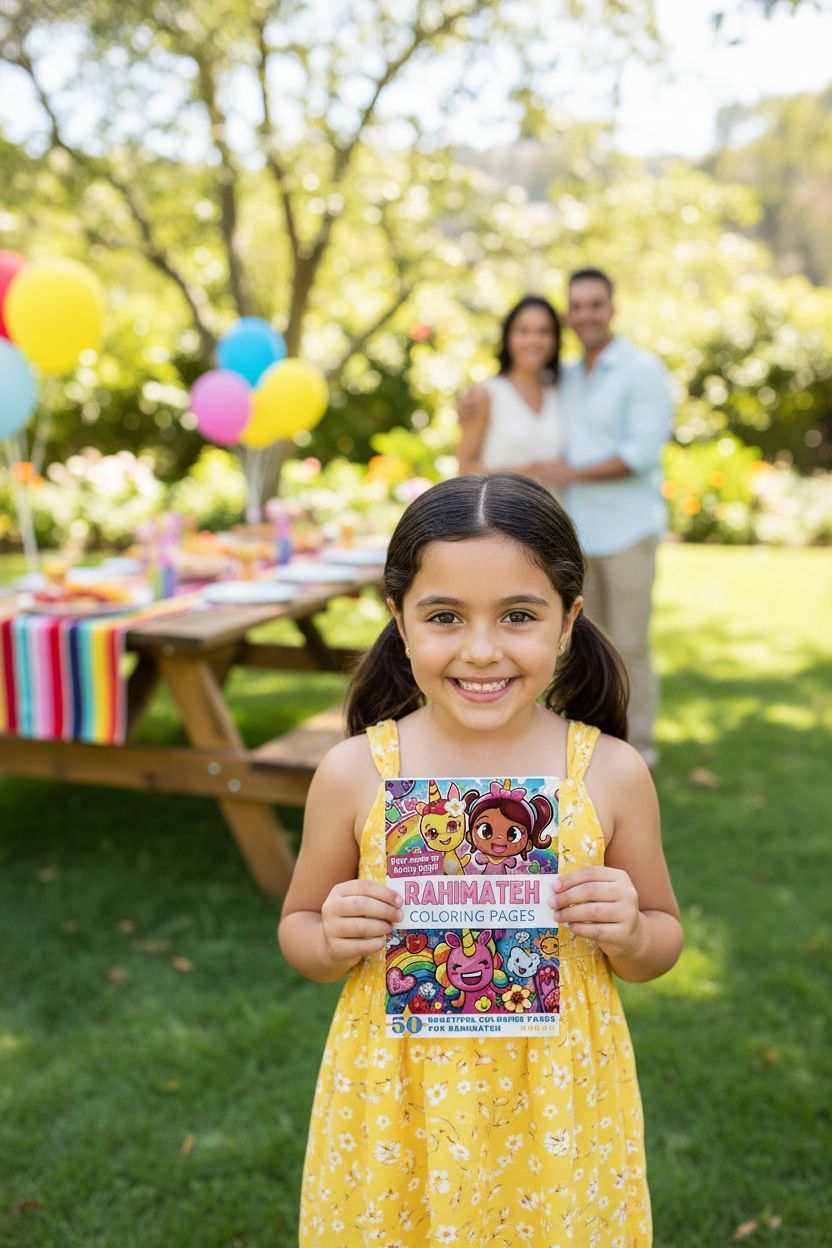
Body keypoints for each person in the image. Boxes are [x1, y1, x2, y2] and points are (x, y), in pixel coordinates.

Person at [279, 472, 682, 1247]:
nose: (482, 649)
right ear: (398, 620)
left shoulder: (610, 773)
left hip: (558, 1099)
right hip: (397, 1098)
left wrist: (633, 933)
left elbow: (662, 936)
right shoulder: (357, 773)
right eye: (444, 616)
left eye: (519, 616)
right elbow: (298, 925)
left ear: (568, 621)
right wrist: (328, 937)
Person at [537, 269, 673, 769]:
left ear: (612, 308)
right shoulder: (568, 376)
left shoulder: (642, 370)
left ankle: (641, 751)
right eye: (577, 306)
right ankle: (592, 744)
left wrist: (570, 472)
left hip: (629, 531)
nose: (586, 314)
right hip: (577, 534)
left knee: (630, 644)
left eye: (595, 304)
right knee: (582, 646)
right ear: (569, 314)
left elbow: (639, 454)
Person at [456, 295, 562, 480]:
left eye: (544, 331)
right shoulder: (486, 394)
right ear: (508, 336)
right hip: (504, 508)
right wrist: (522, 474)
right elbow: (464, 468)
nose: (534, 340)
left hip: (557, 507)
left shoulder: (560, 388)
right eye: (523, 331)